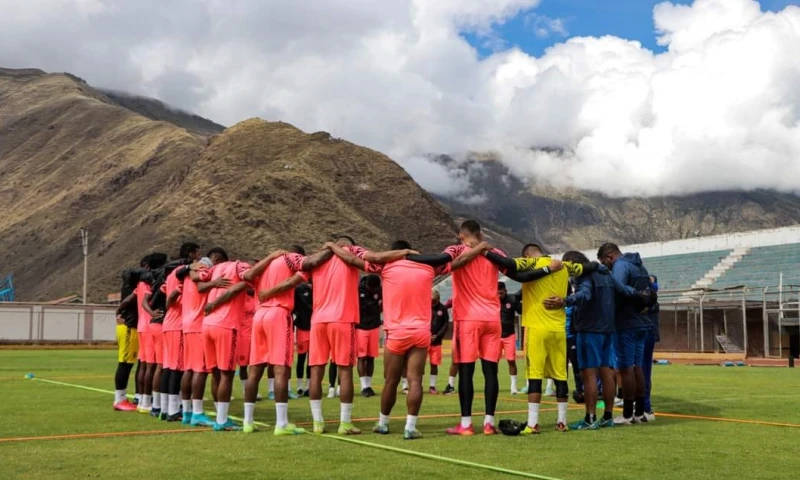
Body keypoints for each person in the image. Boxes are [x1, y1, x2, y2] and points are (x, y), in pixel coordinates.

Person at [410, 221, 557, 436]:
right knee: (491, 372)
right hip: (492, 320)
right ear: (480, 234)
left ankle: (466, 424)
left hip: (468, 319)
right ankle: (489, 424)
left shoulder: (457, 249)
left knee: (466, 372)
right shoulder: (495, 252)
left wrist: (406, 256)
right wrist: (547, 268)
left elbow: (438, 260)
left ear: (461, 235)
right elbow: (520, 275)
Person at [284, 237, 411, 435]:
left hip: (318, 321)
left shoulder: (318, 259)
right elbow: (376, 258)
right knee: (344, 371)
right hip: (342, 320)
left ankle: (318, 423)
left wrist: (268, 292)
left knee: (316, 371)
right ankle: (344, 423)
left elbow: (293, 281)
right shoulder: (350, 252)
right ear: (348, 245)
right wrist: (405, 253)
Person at [327, 240, 450, 440]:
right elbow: (456, 261)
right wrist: (478, 249)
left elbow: (353, 259)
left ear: (392, 253)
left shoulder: (385, 267)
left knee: (391, 380)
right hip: (421, 331)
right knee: (415, 380)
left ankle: (383, 423)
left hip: (396, 332)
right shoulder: (428, 268)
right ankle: (410, 427)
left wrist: (333, 247)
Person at [484, 243, 586, 434]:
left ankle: (533, 424)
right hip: (558, 329)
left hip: (536, 328)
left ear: (527, 256)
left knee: (534, 376)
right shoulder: (564, 265)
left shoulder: (531, 264)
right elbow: (590, 267)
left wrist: (484, 251)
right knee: (560, 376)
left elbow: (507, 263)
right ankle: (561, 422)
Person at [545, 251, 641, 430]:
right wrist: (644, 294)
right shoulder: (606, 274)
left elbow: (585, 294)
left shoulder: (584, 276)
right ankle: (608, 416)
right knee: (607, 373)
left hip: (589, 329)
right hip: (608, 329)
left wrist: (565, 301)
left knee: (588, 374)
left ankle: (590, 418)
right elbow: (623, 290)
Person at [241, 246, 330, 435]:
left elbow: (247, 276)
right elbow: (311, 263)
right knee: (281, 369)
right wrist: (332, 248)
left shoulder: (264, 264)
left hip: (259, 315)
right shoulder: (290, 258)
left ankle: (247, 422)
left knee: (254, 370)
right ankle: (281, 423)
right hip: (278, 313)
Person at [597, 243, 655, 426]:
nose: (606, 266)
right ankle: (640, 412)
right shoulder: (639, 266)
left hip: (627, 323)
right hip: (642, 322)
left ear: (609, 256)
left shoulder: (620, 266)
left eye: (604, 262)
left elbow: (617, 291)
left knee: (626, 368)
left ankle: (628, 414)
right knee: (638, 367)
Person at [199, 248, 251, 432]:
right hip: (226, 325)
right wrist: (216, 303)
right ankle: (221, 420)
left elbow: (199, 284)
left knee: (215, 374)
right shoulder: (239, 266)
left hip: (207, 324)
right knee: (227, 374)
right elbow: (243, 283)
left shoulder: (213, 270)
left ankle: (220, 416)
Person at [175, 255, 221, 426]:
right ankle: (198, 412)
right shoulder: (200, 270)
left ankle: (187, 412)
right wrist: (215, 283)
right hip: (198, 325)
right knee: (200, 370)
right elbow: (201, 287)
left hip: (187, 325)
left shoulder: (187, 276)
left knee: (188, 369)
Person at [112, 267, 142, 411]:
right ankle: (119, 399)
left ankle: (135, 397)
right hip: (129, 327)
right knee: (125, 364)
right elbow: (127, 302)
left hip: (131, 326)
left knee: (135, 363)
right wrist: (118, 311)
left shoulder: (128, 285)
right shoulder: (134, 288)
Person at [357, 274, 382, 398]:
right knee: (362, 357)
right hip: (361, 327)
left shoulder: (379, 289)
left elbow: (382, 305)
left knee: (371, 357)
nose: (373, 290)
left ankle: (369, 385)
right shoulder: (357, 289)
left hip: (374, 326)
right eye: (371, 288)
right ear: (367, 284)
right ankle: (364, 387)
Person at [498, 282, 521, 395]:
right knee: (493, 362)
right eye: (497, 293)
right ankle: (493, 385)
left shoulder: (512, 300)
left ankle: (513, 386)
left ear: (505, 291)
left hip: (509, 335)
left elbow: (521, 311)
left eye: (501, 293)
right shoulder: (491, 301)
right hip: (495, 337)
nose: (499, 295)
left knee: (511, 361)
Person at [643, 275, 659, 422]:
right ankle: (644, 407)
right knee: (644, 371)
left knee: (642, 370)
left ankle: (645, 407)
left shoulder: (650, 298)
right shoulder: (652, 296)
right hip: (647, 333)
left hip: (644, 334)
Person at [293, 280, 313, 396]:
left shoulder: (318, 288)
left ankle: (308, 386)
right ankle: (300, 386)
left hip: (315, 328)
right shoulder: (299, 289)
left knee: (311, 360)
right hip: (302, 329)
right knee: (301, 359)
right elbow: (294, 306)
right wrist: (297, 317)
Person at [428, 290, 449, 394]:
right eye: (431, 300)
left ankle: (432, 386)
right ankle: (418, 385)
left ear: (438, 299)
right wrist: (426, 334)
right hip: (423, 340)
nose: (432, 303)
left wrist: (437, 335)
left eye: (434, 301)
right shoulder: (425, 307)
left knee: (434, 364)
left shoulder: (443, 309)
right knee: (419, 364)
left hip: (436, 342)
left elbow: (445, 324)